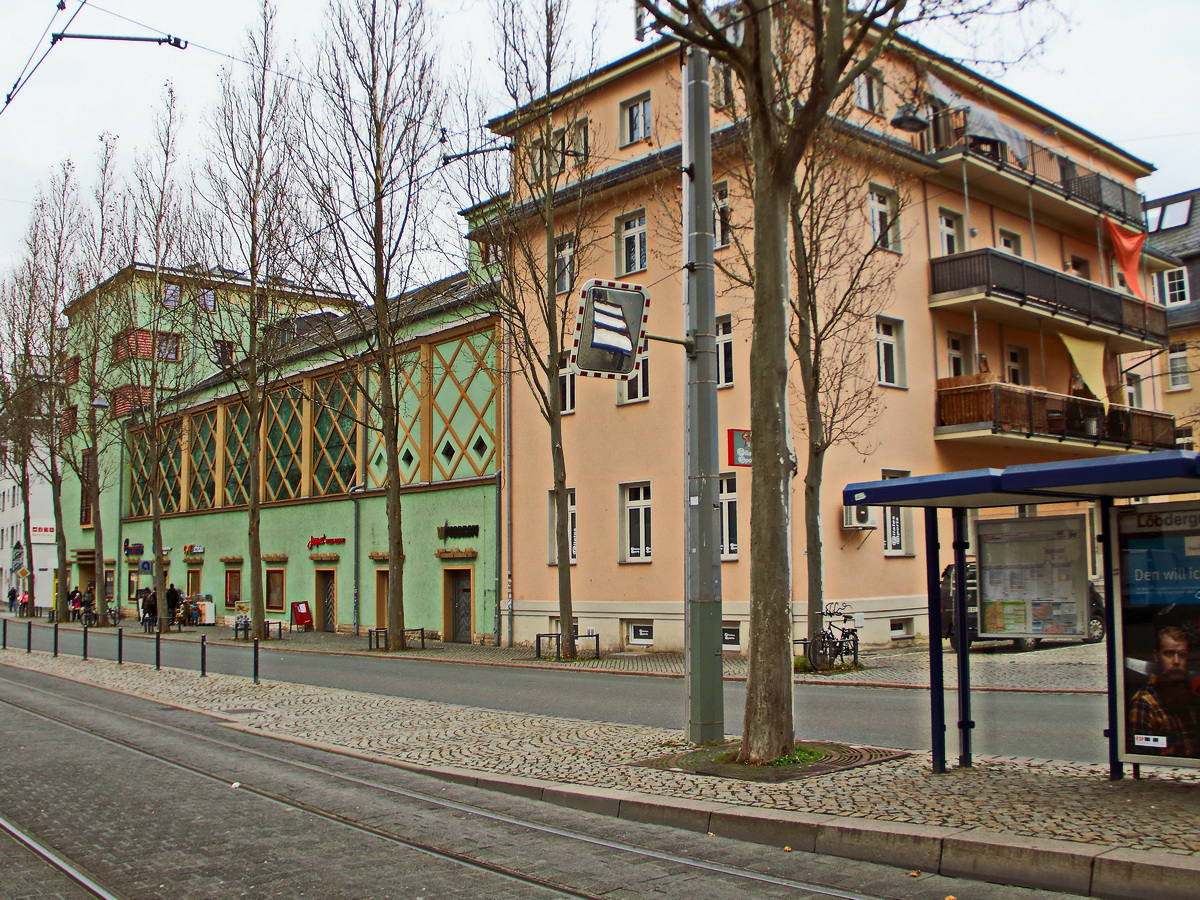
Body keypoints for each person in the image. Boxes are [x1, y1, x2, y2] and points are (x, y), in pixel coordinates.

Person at [1127, 625, 1200, 757]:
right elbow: (1143, 758)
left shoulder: (1190, 695)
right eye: (1169, 653)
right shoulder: (1144, 703)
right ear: (1156, 656)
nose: (1176, 661)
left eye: (1182, 655)